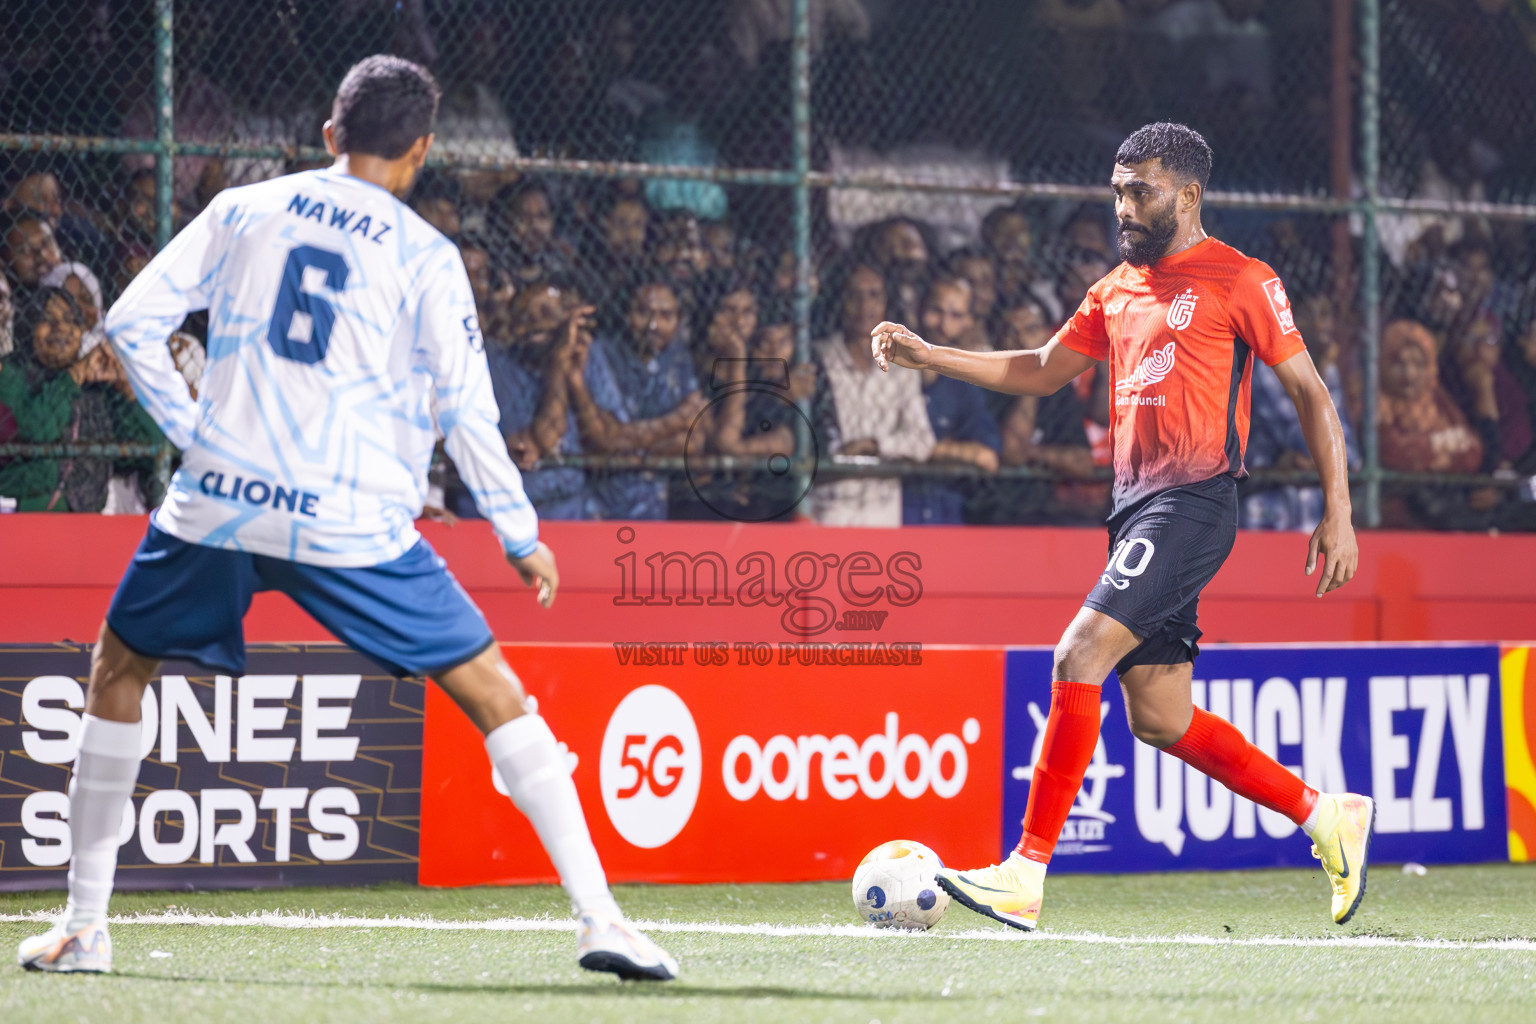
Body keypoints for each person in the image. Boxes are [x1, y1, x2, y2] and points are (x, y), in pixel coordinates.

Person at [16, 55, 677, 983]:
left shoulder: (246, 208)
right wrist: (519, 532)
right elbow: (466, 411)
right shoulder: (426, 256)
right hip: (349, 520)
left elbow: (128, 323)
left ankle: (85, 927)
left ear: (330, 134)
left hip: (220, 502)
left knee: (120, 668)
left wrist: (199, 434)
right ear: (421, 151)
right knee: (495, 695)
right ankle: (601, 920)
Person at [872, 123, 1369, 931]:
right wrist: (935, 355)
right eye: (1117, 190)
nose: (1123, 205)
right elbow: (1041, 369)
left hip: (1195, 501)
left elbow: (1313, 394)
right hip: (1135, 509)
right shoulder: (1115, 289)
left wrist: (1338, 512)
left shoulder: (1242, 279)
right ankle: (1325, 817)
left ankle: (1023, 872)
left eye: (1139, 190)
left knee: (1078, 652)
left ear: (1189, 194)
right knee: (1161, 717)